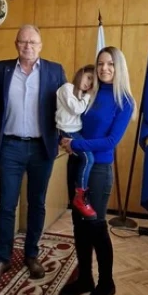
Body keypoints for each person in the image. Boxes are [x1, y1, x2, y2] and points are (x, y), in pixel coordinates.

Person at [0, 25, 67, 285]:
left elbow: (67, 106)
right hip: (10, 147)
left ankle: (31, 254)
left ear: (41, 45)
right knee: (7, 205)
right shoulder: (1, 69)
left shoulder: (55, 71)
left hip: (42, 147)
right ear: (16, 44)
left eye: (33, 42)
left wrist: (68, 136)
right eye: (23, 41)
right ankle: (3, 257)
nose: (28, 46)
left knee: (37, 203)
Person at [58, 46, 135, 295]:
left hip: (99, 170)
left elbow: (111, 141)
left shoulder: (124, 100)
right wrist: (64, 139)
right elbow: (71, 120)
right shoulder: (89, 91)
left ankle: (106, 283)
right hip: (76, 164)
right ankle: (85, 279)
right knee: (78, 224)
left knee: (96, 225)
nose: (104, 68)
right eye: (100, 63)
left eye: (110, 64)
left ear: (119, 67)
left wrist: (75, 144)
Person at [55, 65, 97, 219]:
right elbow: (76, 109)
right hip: (67, 131)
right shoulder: (67, 88)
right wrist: (88, 96)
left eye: (92, 83)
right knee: (88, 158)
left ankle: (79, 195)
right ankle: (80, 196)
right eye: (88, 78)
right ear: (82, 72)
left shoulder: (81, 93)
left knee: (84, 160)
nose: (88, 84)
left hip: (77, 132)